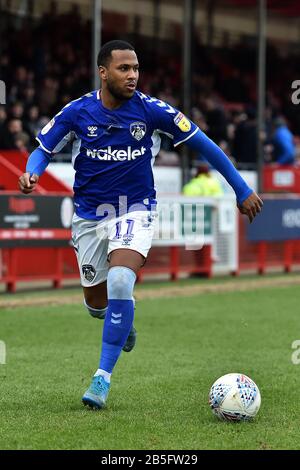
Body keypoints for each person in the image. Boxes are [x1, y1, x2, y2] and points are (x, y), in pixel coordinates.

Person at [19, 40, 263, 410]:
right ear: (104, 72)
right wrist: (32, 172)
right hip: (89, 216)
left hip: (134, 210)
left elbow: (205, 145)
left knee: (120, 280)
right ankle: (123, 316)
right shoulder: (77, 112)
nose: (132, 75)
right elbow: (43, 150)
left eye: (136, 68)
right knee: (96, 304)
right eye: (123, 69)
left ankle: (101, 379)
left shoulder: (151, 111)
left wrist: (241, 188)